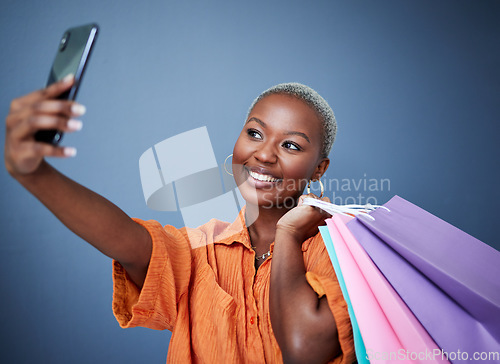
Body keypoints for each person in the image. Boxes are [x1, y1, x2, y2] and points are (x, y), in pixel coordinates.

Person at [4, 76, 355, 363]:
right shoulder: (201, 248)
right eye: (255, 133)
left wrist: (290, 235)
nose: (263, 153)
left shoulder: (347, 254)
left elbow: (305, 349)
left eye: (291, 145)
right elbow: (129, 241)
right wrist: (35, 174)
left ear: (319, 168)